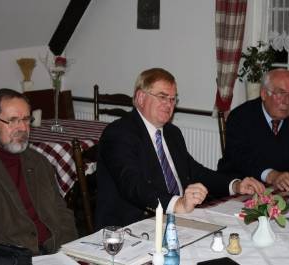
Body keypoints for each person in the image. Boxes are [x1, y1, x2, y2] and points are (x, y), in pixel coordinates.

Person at [95, 68, 265, 229]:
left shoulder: (171, 132)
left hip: (179, 218)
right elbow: (132, 185)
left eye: (172, 99)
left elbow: (195, 171)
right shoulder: (119, 133)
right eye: (162, 97)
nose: (169, 104)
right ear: (140, 98)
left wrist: (235, 185)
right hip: (133, 226)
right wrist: (178, 204)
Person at [0, 89, 77, 263]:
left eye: (26, 119)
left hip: (54, 255)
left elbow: (62, 213)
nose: (23, 128)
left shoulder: (38, 161)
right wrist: (24, 257)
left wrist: (67, 252)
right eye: (12, 120)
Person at [218, 68, 289, 192]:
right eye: (281, 93)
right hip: (245, 188)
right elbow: (240, 158)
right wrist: (272, 175)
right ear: (264, 94)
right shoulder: (240, 117)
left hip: (286, 190)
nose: (287, 100)